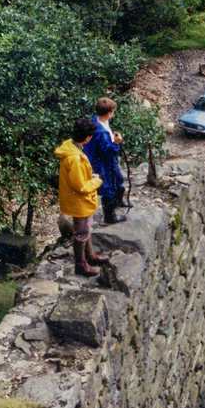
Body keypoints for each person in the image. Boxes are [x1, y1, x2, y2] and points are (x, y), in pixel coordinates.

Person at [55, 118, 109, 277]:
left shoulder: (72, 148)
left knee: (86, 229)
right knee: (81, 232)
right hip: (79, 201)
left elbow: (77, 179)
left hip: (77, 199)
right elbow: (80, 187)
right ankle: (81, 264)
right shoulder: (75, 158)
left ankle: (90, 256)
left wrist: (88, 177)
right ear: (88, 137)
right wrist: (96, 181)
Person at [83, 96, 128, 225]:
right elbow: (108, 152)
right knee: (108, 186)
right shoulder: (101, 132)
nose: (113, 114)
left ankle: (118, 201)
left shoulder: (96, 120)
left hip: (99, 159)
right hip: (103, 163)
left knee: (118, 178)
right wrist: (117, 143)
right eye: (113, 111)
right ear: (109, 113)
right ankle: (110, 216)